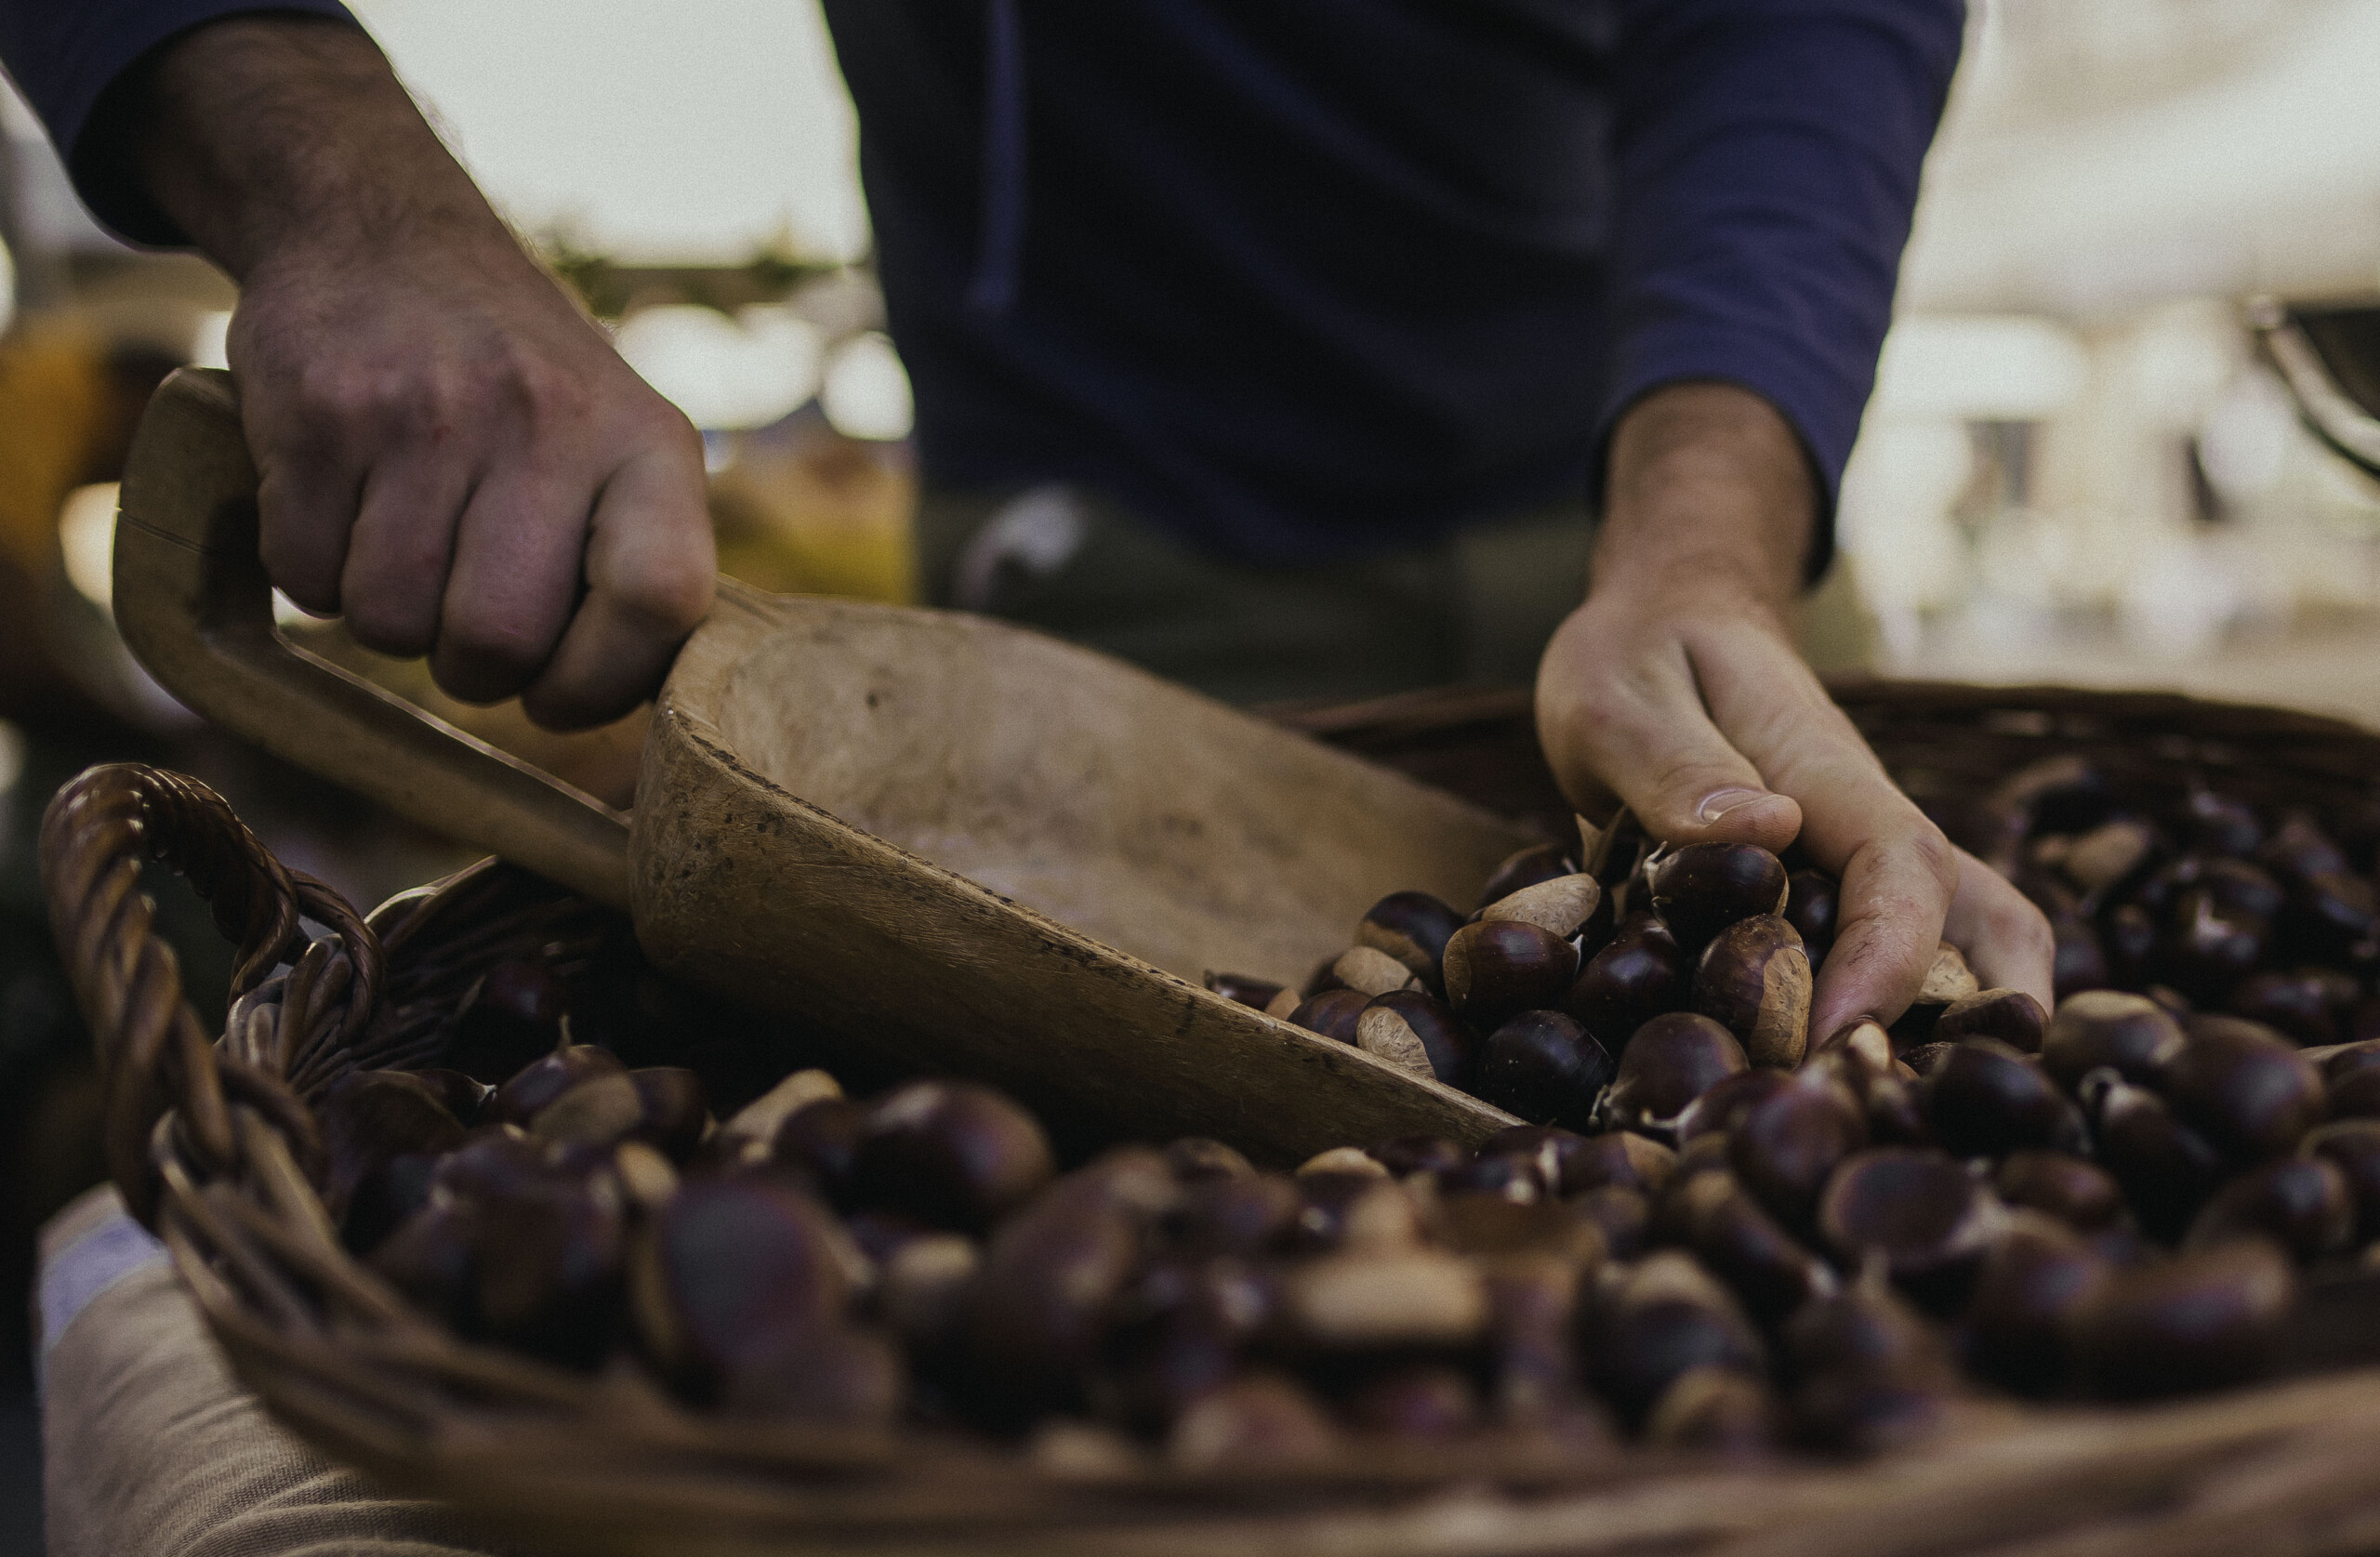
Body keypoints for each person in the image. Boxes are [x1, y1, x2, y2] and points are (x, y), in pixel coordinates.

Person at [0, 3, 2052, 1041]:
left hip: (1668, 517)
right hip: (1099, 586)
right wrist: (339, 184)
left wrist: (1707, 521)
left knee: (1833, 1004)